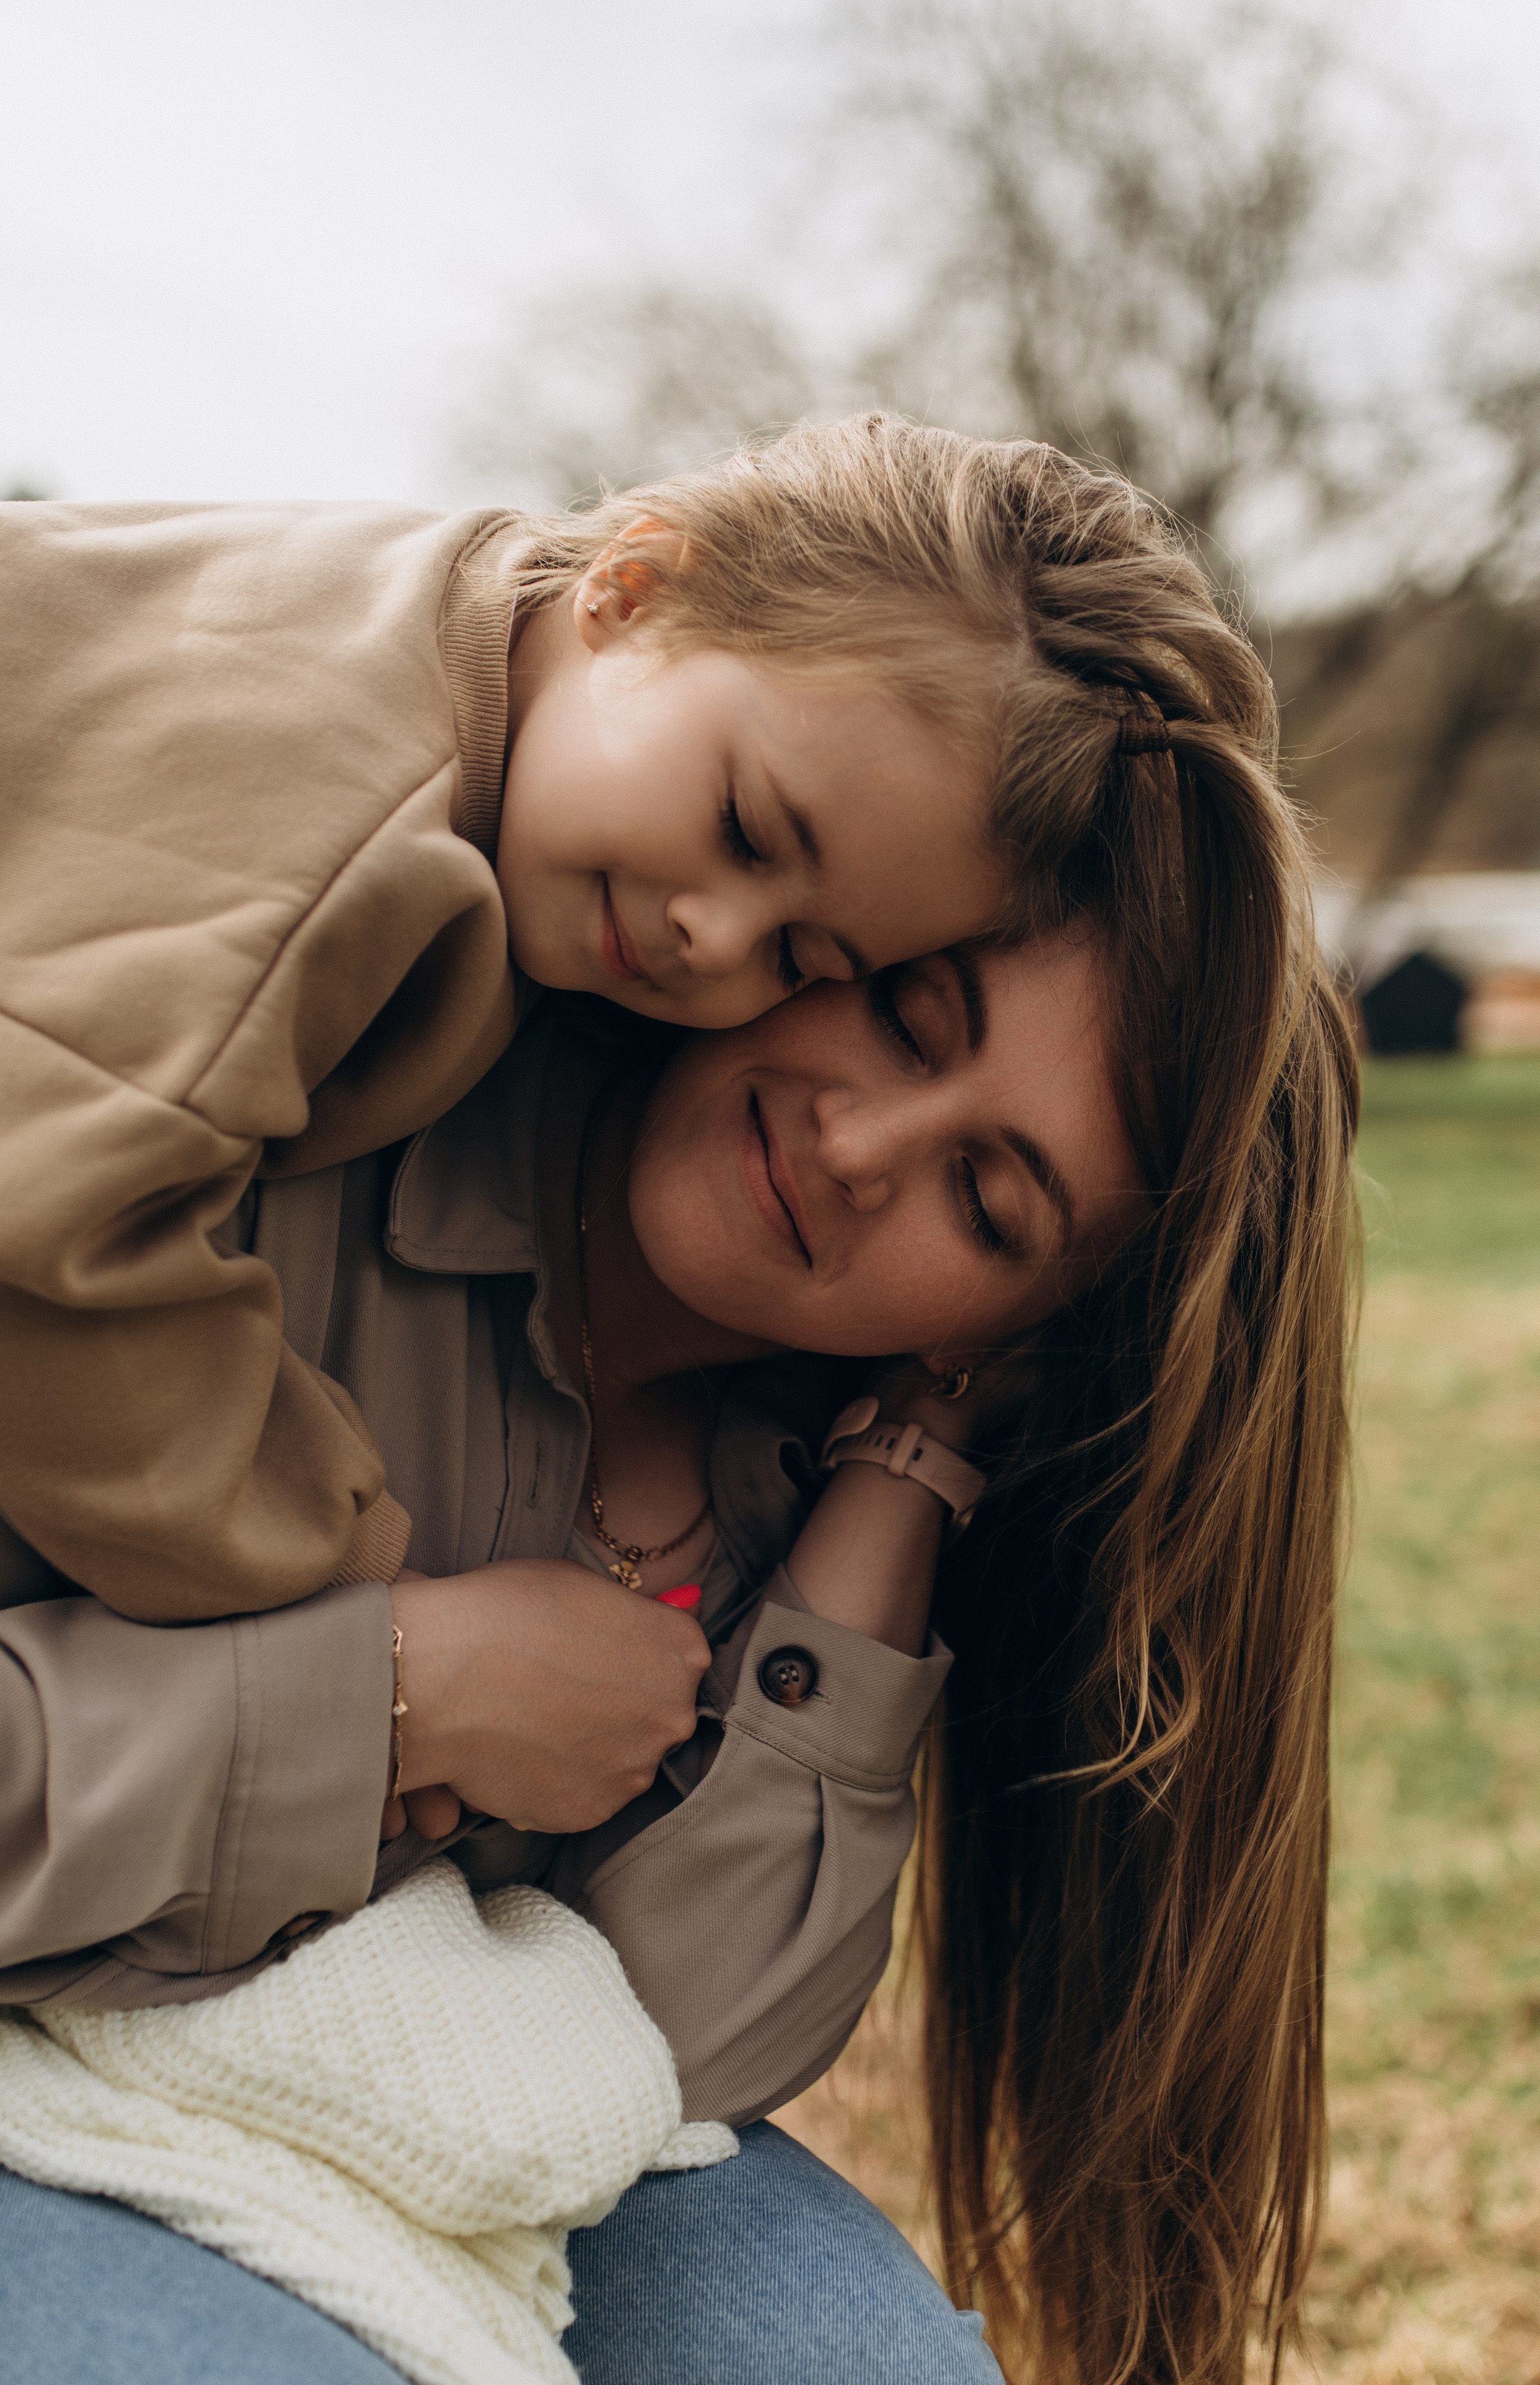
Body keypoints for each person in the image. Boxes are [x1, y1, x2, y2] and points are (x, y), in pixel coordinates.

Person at [0, 650, 1357, 2383]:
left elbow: (667, 2061)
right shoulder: (268, 1128)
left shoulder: (787, 1504)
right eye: (904, 1017)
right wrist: (399, 1696)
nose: (861, 1145)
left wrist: (911, 1460)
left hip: (353, 2106)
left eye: (984, 1202)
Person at [0, 413, 1213, 1639]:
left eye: (800, 958)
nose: (717, 942)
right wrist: (361, 1598)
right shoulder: (344, 846)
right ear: (636, 585)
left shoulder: (437, 610)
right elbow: (49, 1239)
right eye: (745, 830)